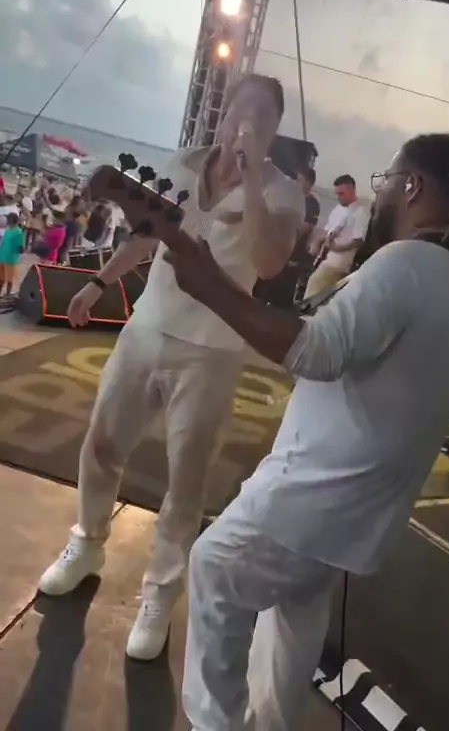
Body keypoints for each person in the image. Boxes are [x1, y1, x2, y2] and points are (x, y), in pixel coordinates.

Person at [163, 133, 449, 731]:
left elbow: (318, 352)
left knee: (216, 567)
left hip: (314, 496)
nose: (382, 192)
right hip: (356, 515)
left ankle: (215, 724)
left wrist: (209, 286)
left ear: (412, 186)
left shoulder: (407, 263)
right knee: (293, 613)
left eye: (387, 181)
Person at [38, 74, 305, 661]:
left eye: (263, 115)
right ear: (224, 112)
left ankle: (159, 593)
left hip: (212, 351)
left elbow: (268, 261)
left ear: (275, 128)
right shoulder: (182, 164)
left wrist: (252, 178)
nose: (248, 121)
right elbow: (145, 235)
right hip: (147, 328)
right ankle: (87, 543)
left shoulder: (283, 193)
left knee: (186, 480)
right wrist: (97, 284)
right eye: (241, 108)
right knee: (101, 444)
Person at [254, 165, 320, 308]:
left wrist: (282, 224)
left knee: (282, 297)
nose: (296, 183)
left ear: (309, 183)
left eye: (300, 180)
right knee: (261, 290)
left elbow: (305, 228)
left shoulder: (312, 204)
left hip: (293, 256)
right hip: (274, 251)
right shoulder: (289, 196)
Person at [305, 173, 369, 299]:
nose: (339, 197)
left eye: (342, 194)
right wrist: (316, 242)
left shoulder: (361, 212)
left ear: (352, 190)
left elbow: (359, 240)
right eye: (337, 194)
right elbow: (327, 232)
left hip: (337, 265)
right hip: (323, 261)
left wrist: (336, 247)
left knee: (312, 296)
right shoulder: (338, 209)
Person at [0, 212, 25, 295]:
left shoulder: (19, 232)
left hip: (11, 260)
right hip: (2, 258)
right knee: (1, 279)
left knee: (9, 280)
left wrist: (15, 249)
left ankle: (7, 294)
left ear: (11, 221)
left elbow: (21, 249)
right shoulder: (7, 230)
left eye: (8, 219)